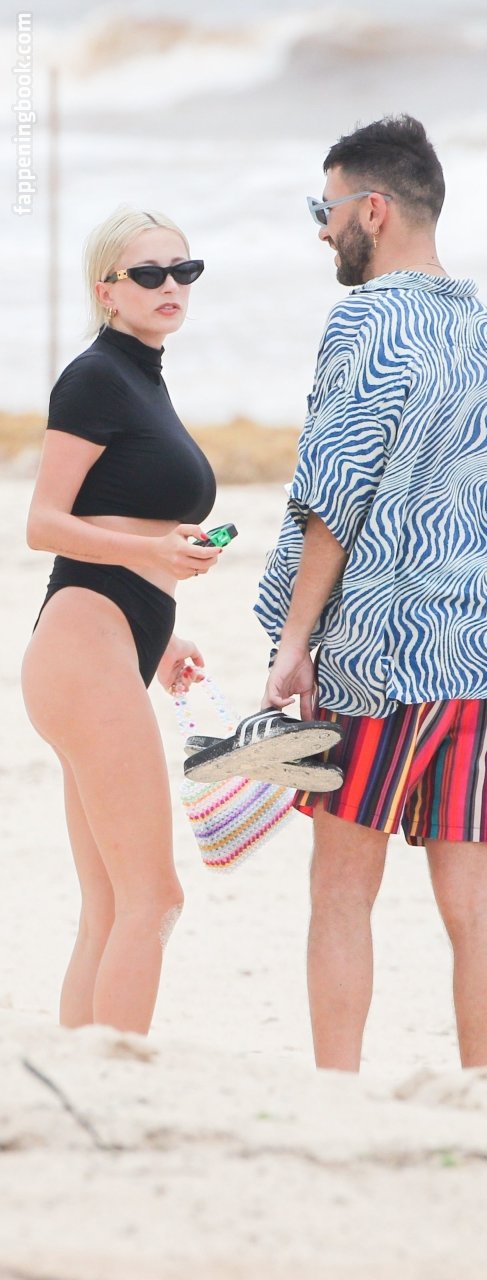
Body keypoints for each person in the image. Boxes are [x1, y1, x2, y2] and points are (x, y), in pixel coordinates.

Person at [255, 114, 487, 1072]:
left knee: (341, 891)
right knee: (474, 903)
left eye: (324, 208)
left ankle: (338, 1093)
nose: (320, 228)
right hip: (476, 659)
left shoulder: (365, 321)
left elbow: (331, 497)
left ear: (373, 210)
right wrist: (452, 540)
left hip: (374, 661)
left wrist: (293, 640)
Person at [21, 207, 220, 1035]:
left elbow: (120, 526)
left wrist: (161, 634)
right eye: (148, 273)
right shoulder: (96, 376)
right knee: (154, 898)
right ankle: (122, 1077)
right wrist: (157, 553)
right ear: (107, 291)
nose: (170, 285)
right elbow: (42, 524)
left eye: (184, 270)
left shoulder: (143, 377)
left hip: (108, 643)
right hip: (82, 645)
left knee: (109, 906)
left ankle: (82, 1075)